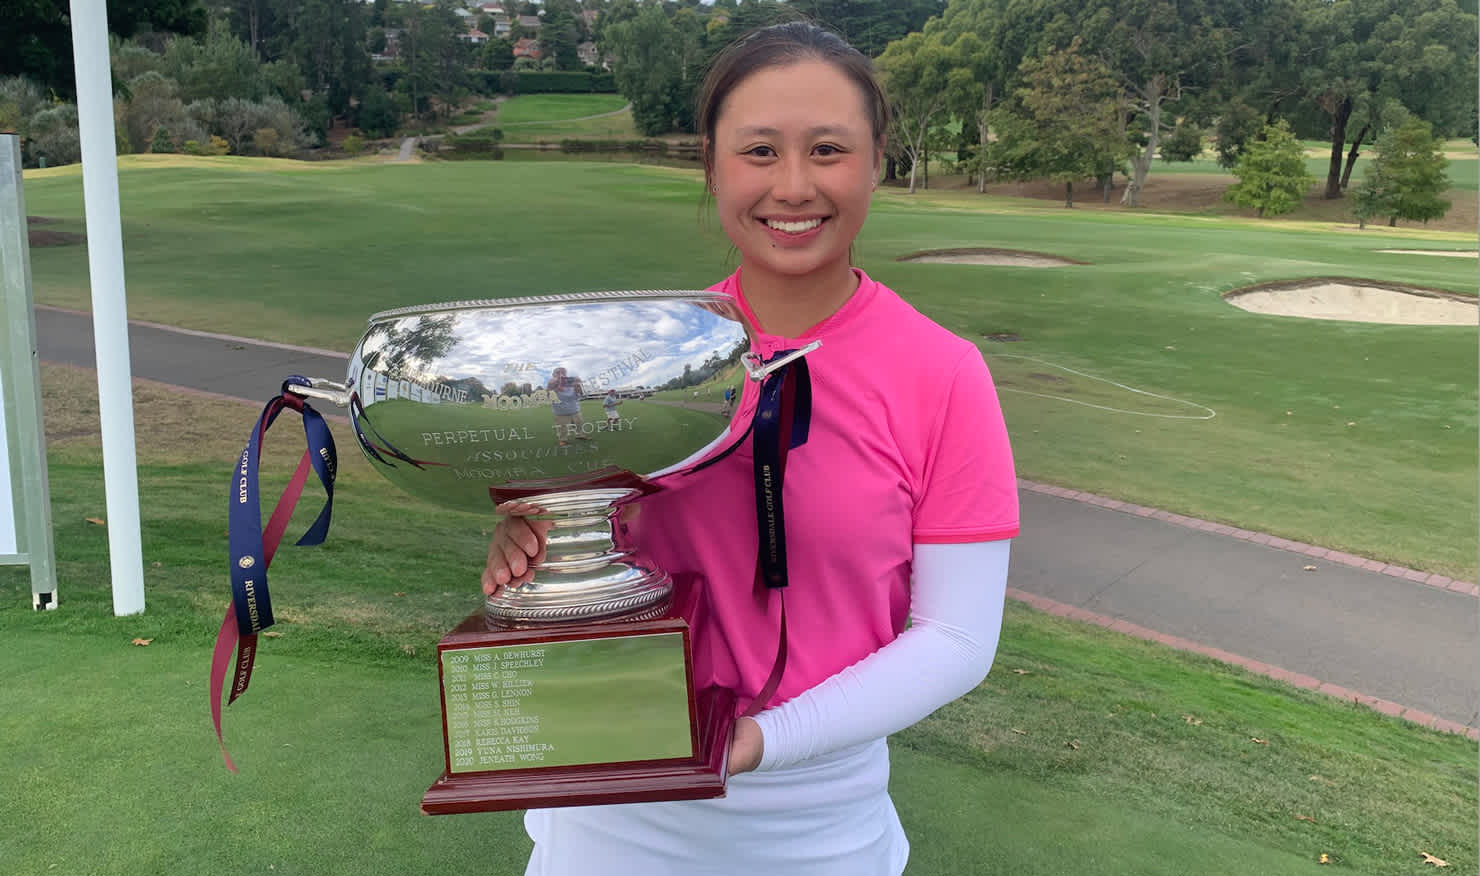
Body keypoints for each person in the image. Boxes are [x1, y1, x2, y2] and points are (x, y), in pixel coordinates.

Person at [484, 21, 1017, 876]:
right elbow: (578, 552)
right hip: (604, 824)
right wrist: (535, 546)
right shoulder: (630, 359)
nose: (794, 186)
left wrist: (758, 743)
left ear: (878, 160)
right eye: (760, 150)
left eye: (830, 149)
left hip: (820, 832)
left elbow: (956, 638)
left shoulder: (944, 375)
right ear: (713, 163)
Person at [547, 366, 584, 445]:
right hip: (560, 411)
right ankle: (563, 439)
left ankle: (580, 435)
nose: (561, 374)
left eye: (563, 372)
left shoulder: (571, 382)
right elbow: (548, 396)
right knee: (562, 428)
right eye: (558, 372)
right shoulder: (551, 383)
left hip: (574, 409)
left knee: (579, 424)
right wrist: (554, 387)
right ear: (553, 375)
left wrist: (579, 385)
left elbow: (579, 395)